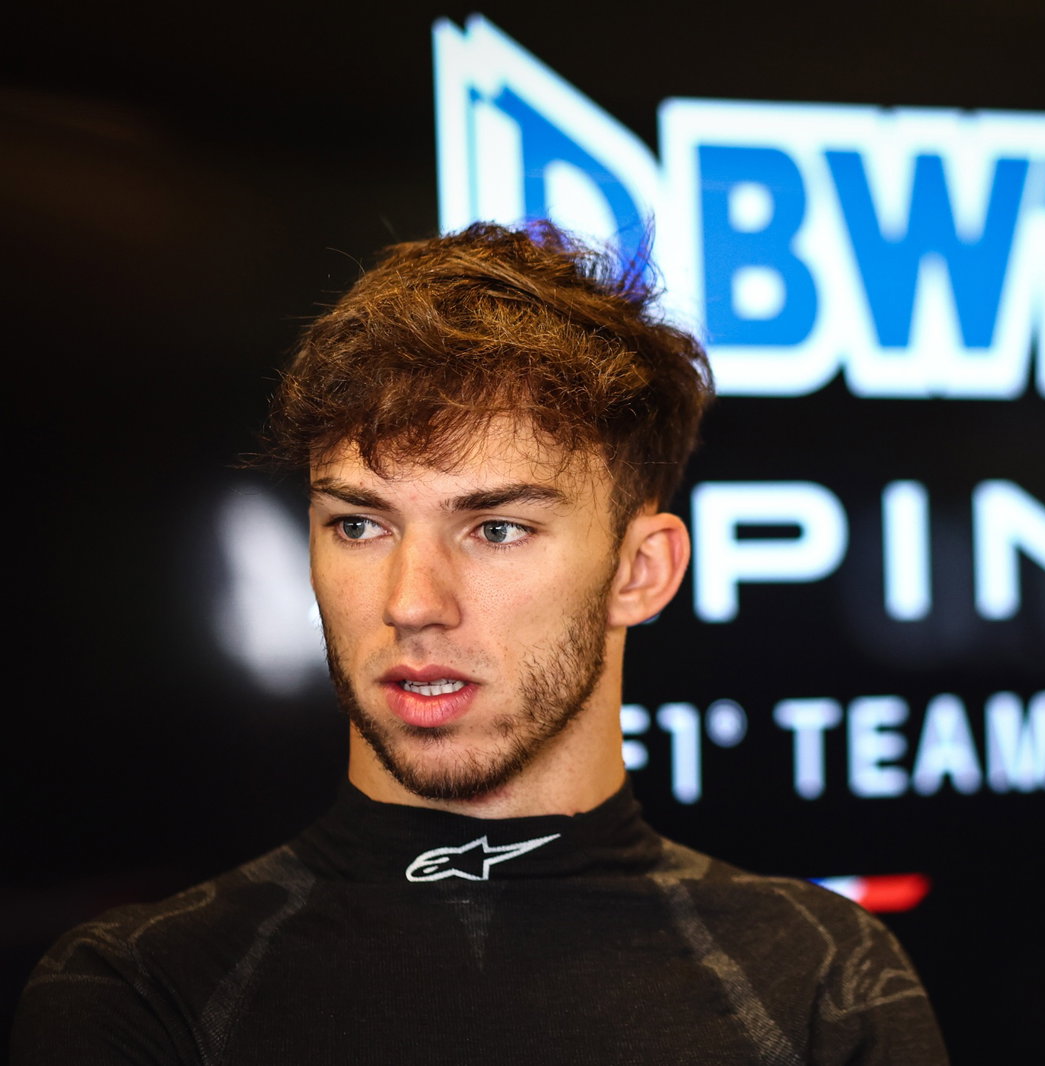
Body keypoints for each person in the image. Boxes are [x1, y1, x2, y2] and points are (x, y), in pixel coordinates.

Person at [13, 222, 948, 1065]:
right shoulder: (140, 992)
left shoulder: (822, 983)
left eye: (496, 528)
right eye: (359, 525)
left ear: (640, 571)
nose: (411, 603)